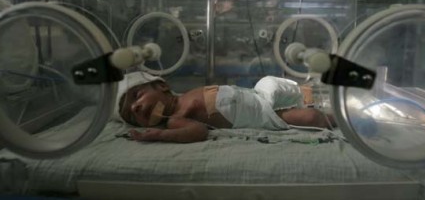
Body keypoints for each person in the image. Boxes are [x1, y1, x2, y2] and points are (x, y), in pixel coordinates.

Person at [114, 71, 335, 143]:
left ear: (162, 86)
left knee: (271, 81)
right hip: (259, 115)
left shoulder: (183, 97)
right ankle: (333, 118)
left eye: (137, 96)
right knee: (307, 118)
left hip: (255, 95)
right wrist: (159, 135)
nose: (135, 108)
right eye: (131, 116)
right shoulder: (175, 119)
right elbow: (199, 131)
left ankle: (312, 93)